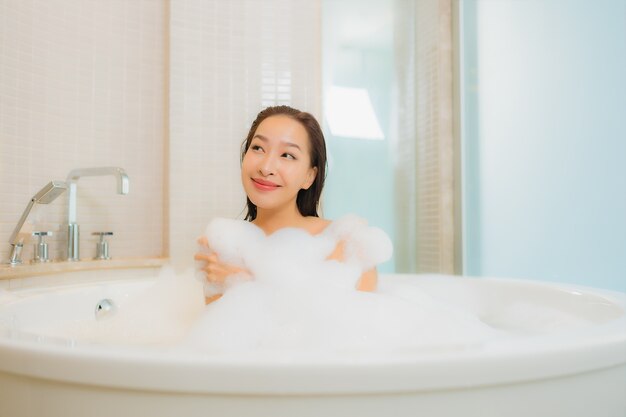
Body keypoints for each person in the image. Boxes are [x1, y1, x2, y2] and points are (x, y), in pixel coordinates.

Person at [194, 105, 379, 304]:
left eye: (287, 155)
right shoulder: (225, 249)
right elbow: (223, 330)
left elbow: (355, 328)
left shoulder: (346, 243)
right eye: (257, 148)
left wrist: (246, 282)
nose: (266, 168)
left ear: (310, 176)